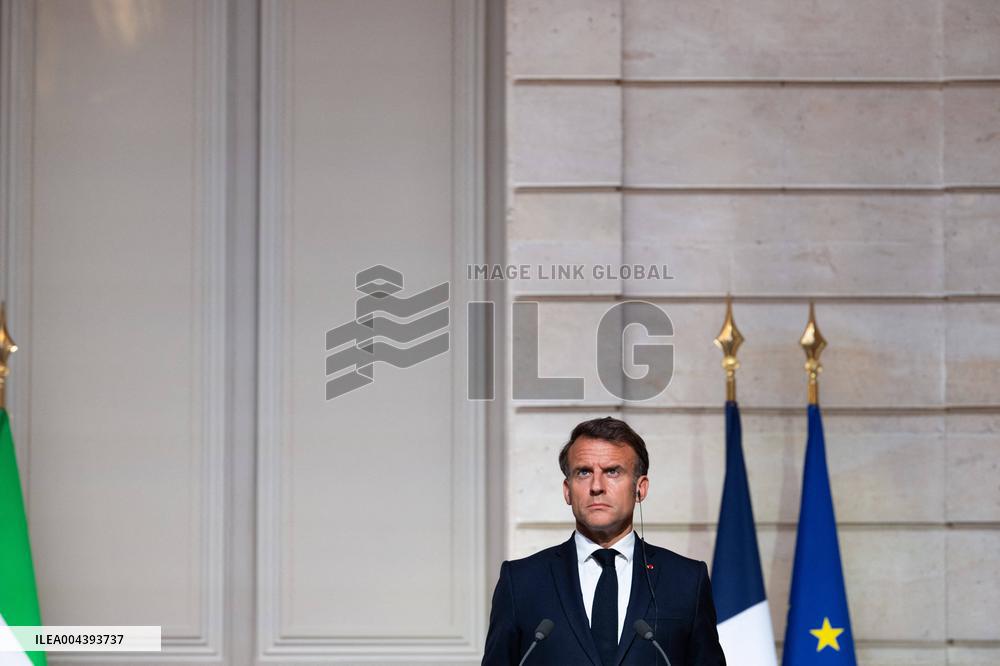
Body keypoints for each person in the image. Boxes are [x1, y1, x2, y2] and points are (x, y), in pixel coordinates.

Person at [483, 417, 726, 666]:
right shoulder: (521, 581)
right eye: (584, 472)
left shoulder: (686, 580)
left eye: (612, 471)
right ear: (568, 490)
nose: (596, 486)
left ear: (640, 488)